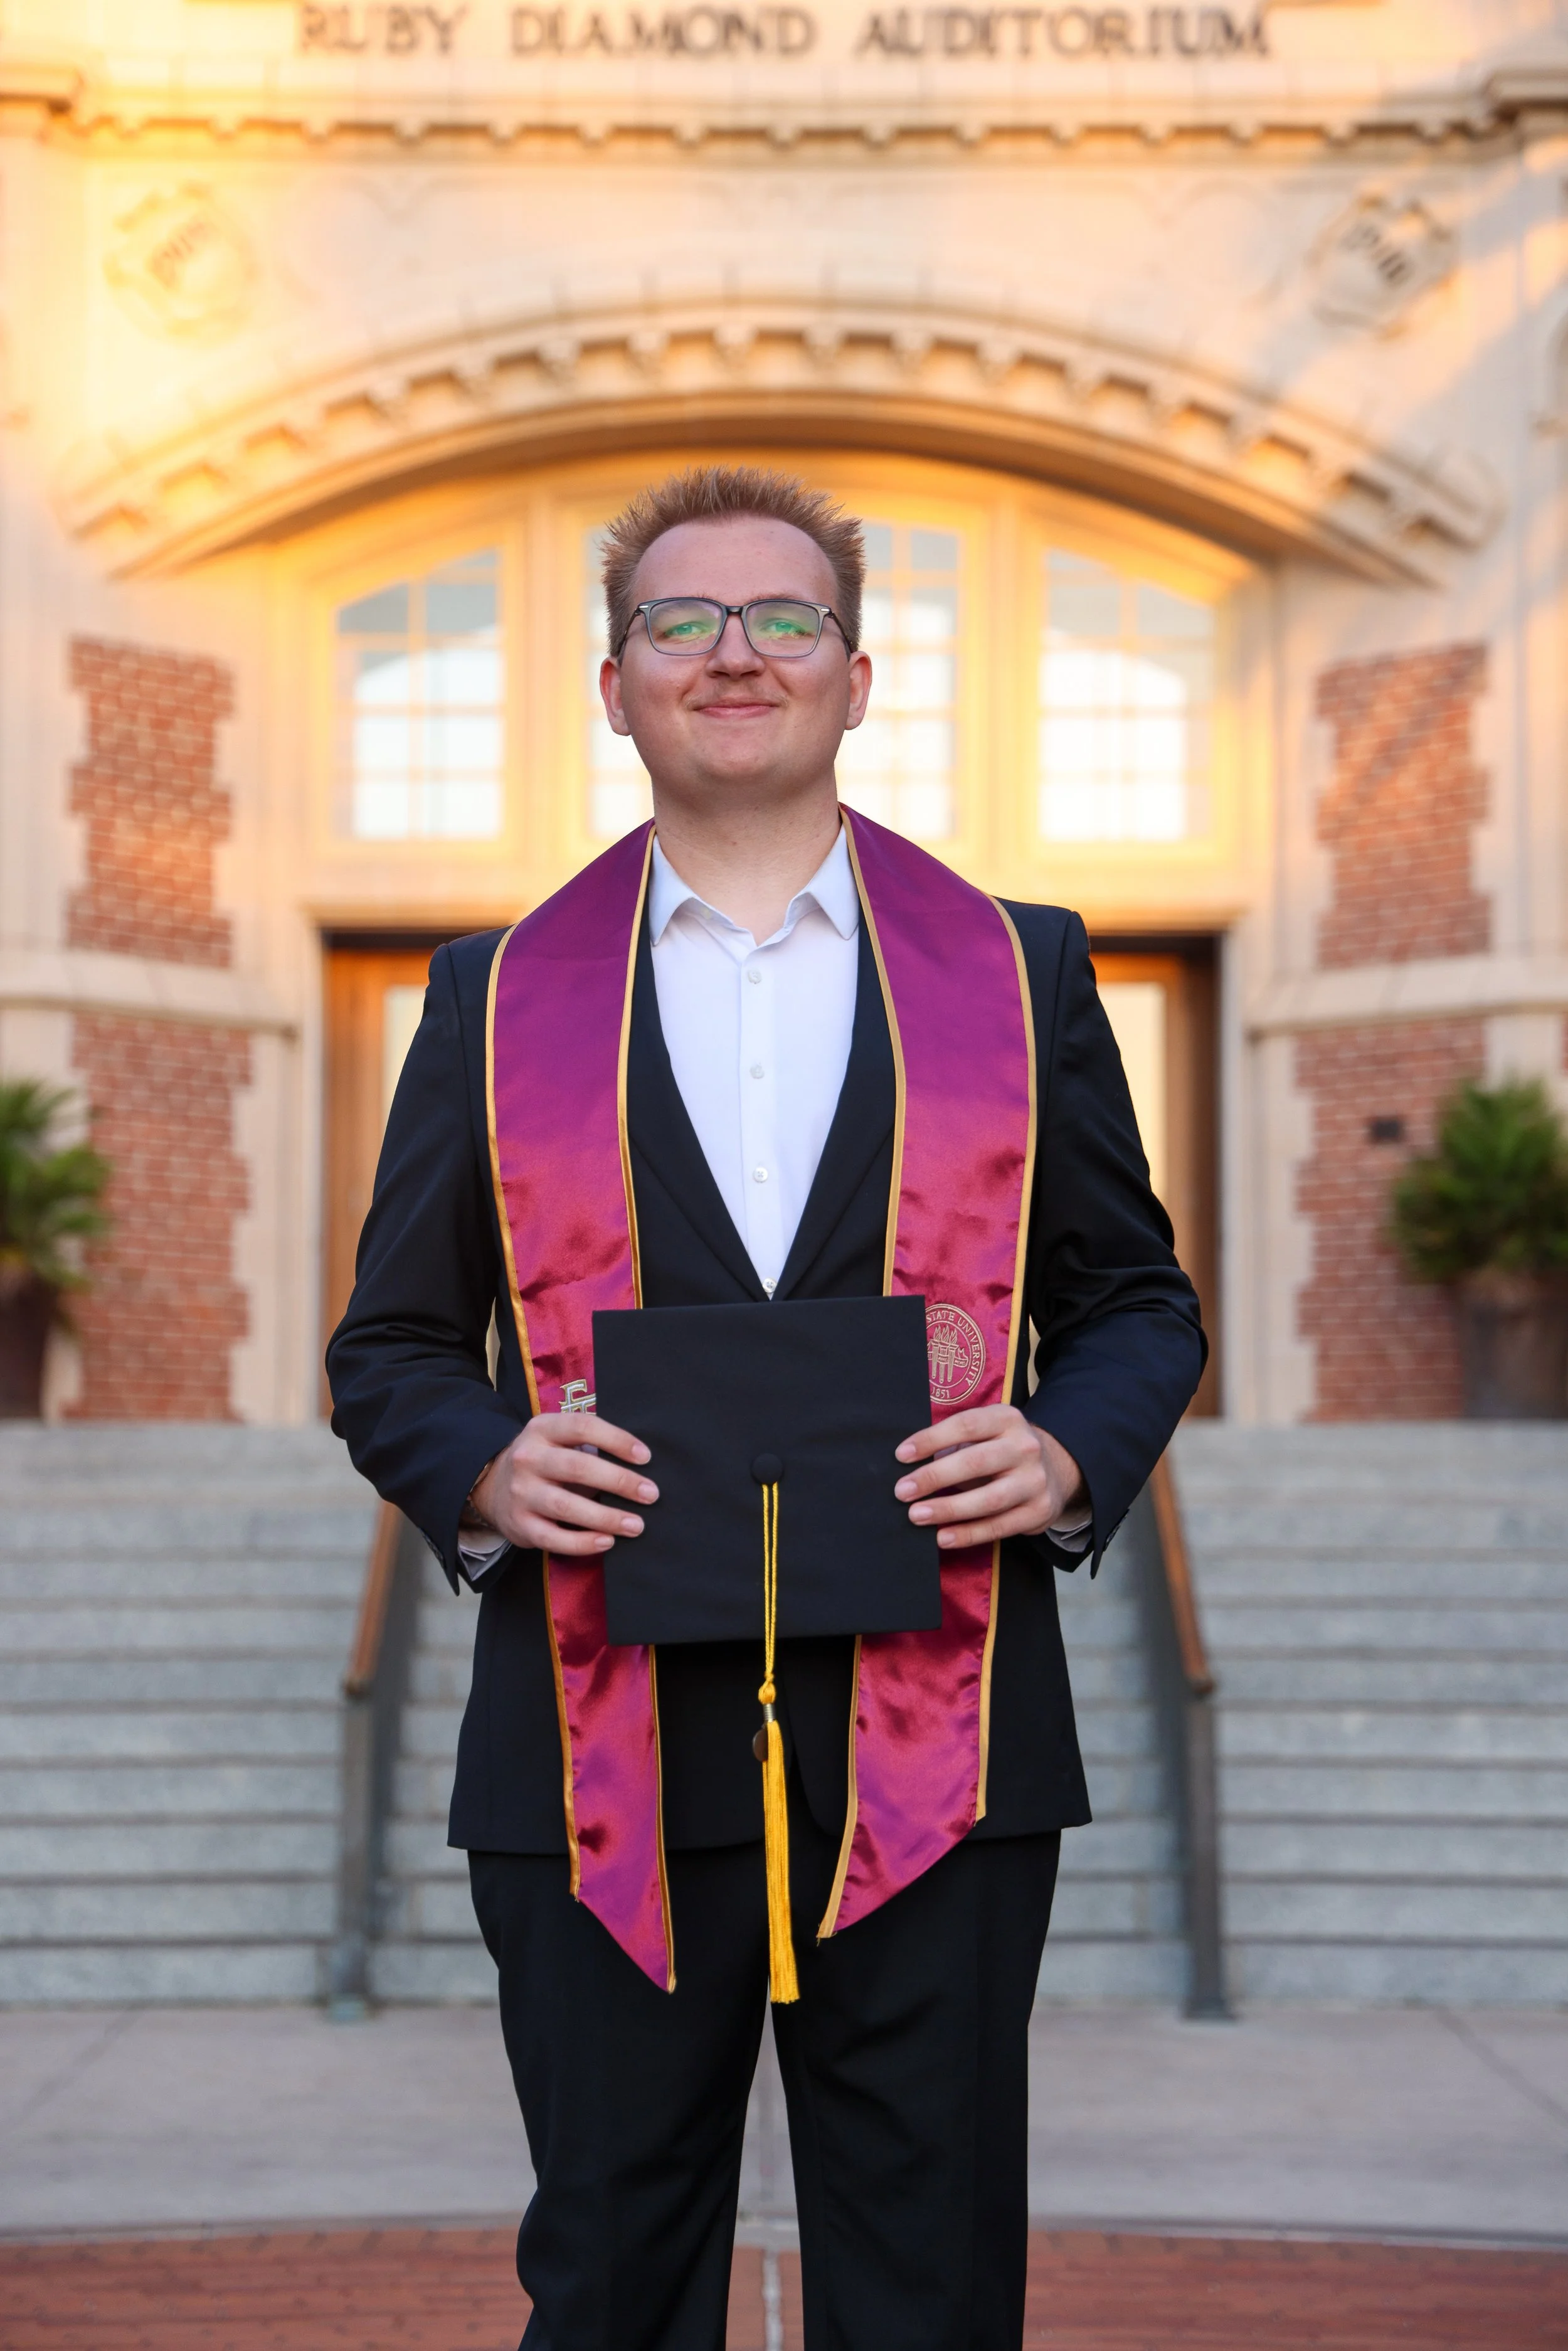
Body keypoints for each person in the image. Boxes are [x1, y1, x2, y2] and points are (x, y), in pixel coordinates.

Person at [327, 465, 1204, 2351]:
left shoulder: (1018, 966)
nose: (735, 654)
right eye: (681, 621)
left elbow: (1133, 1301)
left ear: (861, 674)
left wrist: (1064, 1448)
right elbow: (386, 1347)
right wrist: (485, 1460)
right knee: (613, 2272)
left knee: (928, 2275)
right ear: (613, 682)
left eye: (783, 618)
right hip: (593, 1744)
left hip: (938, 1735)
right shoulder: (491, 996)